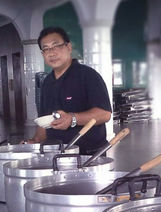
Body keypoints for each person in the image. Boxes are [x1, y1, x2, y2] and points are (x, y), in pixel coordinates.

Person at [27, 26, 112, 155]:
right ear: (42, 54)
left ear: (68, 47)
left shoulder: (88, 75)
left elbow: (105, 114)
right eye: (46, 48)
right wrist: (35, 140)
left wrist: (72, 119)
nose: (51, 52)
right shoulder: (47, 82)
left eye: (56, 46)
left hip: (88, 154)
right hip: (57, 153)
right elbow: (45, 120)